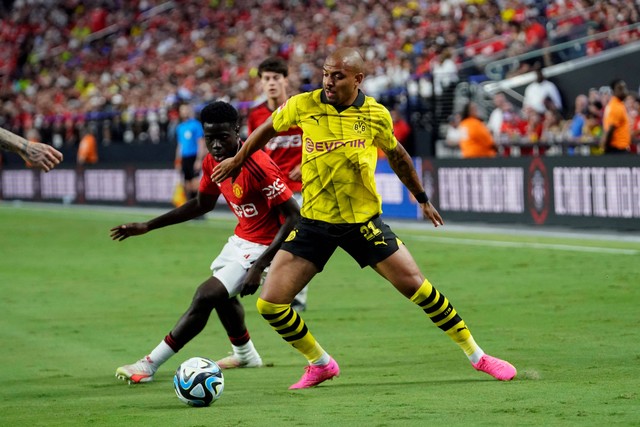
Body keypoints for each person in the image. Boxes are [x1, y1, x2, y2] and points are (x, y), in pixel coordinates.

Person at [212, 47, 516, 389]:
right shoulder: (304, 104)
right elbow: (268, 127)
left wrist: (422, 198)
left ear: (358, 79)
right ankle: (320, 363)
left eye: (337, 76)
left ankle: (479, 356)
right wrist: (239, 159)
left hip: (363, 222)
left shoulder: (375, 115)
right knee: (270, 305)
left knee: (419, 288)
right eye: (326, 73)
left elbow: (398, 156)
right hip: (314, 222)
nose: (328, 81)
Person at [112, 101, 300, 383]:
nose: (215, 145)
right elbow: (202, 204)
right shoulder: (212, 160)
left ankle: (149, 364)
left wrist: (260, 265)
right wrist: (148, 226)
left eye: (222, 137)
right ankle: (245, 354)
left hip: (264, 246)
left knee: (206, 295)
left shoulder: (258, 164)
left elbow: (293, 217)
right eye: (209, 138)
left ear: (237, 131)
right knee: (222, 296)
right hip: (241, 240)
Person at [248, 56, 309, 312]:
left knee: (296, 241)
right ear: (261, 83)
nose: (271, 83)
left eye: (276, 78)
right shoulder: (257, 115)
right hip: (269, 189)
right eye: (266, 79)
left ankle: (296, 297)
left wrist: (305, 165)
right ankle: (273, 289)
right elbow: (254, 150)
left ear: (286, 80)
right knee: (267, 241)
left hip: (298, 189)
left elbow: (316, 142)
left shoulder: (301, 108)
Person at [175, 104, 206, 200]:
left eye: (186, 109)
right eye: (182, 110)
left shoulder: (196, 124)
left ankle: (199, 208)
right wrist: (177, 161)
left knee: (195, 184)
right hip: (185, 157)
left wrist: (199, 159)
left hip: (194, 156)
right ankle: (190, 208)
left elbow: (201, 142)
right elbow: (180, 145)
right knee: (187, 184)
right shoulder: (179, 127)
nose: (184, 111)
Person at [600, 79, 631, 154]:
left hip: (616, 148)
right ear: (613, 91)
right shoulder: (616, 107)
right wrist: (605, 147)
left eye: (624, 88)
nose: (624, 91)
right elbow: (611, 128)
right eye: (620, 89)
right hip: (617, 149)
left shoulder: (614, 104)